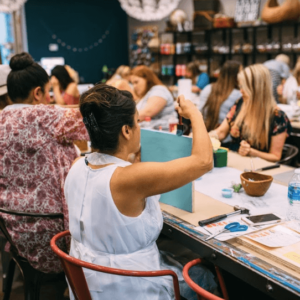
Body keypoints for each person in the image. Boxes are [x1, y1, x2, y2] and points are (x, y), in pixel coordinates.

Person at [65, 84, 217, 300]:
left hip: (88, 283)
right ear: (126, 131)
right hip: (131, 288)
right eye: (136, 123)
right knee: (207, 275)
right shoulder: (129, 179)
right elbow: (203, 161)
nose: (139, 128)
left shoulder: (77, 164)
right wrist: (194, 113)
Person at [0, 52, 89, 273]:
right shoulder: (47, 115)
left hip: (14, 231)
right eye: (48, 91)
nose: (50, 98)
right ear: (38, 92)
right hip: (54, 237)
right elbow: (101, 124)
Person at [210, 64, 291, 162]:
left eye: (244, 87)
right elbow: (221, 132)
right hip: (234, 161)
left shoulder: (278, 117)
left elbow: (275, 156)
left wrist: (252, 152)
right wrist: (202, 137)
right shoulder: (240, 103)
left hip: (256, 168)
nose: (241, 91)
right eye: (240, 86)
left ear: (257, 89)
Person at [200, 61, 242, 143]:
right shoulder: (238, 95)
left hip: (206, 136)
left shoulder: (207, 88)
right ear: (236, 76)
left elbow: (200, 114)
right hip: (226, 142)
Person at [131, 65, 177, 129]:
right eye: (132, 83)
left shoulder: (159, 90)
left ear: (147, 79)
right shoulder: (146, 95)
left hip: (161, 135)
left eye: (136, 82)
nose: (134, 86)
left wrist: (123, 119)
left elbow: (147, 113)